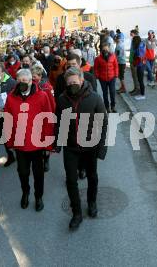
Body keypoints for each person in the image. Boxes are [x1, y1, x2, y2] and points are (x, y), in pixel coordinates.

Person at [54, 67, 108, 231]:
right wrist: (57, 142)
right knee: (71, 180)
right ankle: (76, 213)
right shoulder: (62, 99)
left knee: (92, 176)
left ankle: (92, 202)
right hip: (71, 148)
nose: (72, 85)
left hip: (90, 146)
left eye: (74, 82)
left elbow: (103, 124)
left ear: (82, 80)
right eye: (68, 83)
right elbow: (59, 122)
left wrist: (102, 148)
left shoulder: (95, 98)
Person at [4, 69, 54, 212]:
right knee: (23, 173)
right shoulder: (11, 97)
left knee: (38, 174)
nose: (22, 84)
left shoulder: (42, 96)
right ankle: (25, 193)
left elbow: (48, 120)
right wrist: (10, 142)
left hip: (37, 144)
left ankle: (38, 196)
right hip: (20, 145)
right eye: (20, 81)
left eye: (25, 81)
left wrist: (48, 144)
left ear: (32, 81)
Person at [31, 64, 56, 172]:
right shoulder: (28, 86)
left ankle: (46, 160)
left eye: (35, 75)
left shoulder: (46, 87)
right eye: (31, 75)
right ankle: (38, 158)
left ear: (40, 76)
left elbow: (52, 102)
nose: (33, 77)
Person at [94, 43, 119, 113]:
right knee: (105, 93)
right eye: (104, 49)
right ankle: (107, 107)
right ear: (101, 49)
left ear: (109, 49)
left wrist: (116, 74)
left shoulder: (113, 56)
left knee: (112, 92)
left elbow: (116, 66)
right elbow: (96, 68)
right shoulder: (98, 58)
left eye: (106, 49)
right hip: (102, 79)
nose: (105, 50)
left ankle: (113, 106)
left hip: (112, 77)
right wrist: (97, 75)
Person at [131, 35, 146, 100]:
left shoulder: (139, 47)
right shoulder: (141, 45)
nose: (133, 42)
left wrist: (134, 63)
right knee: (140, 80)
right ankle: (141, 93)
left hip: (140, 65)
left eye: (133, 41)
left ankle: (142, 94)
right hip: (141, 65)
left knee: (140, 80)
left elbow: (139, 58)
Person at [129, 29, 140, 95]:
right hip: (133, 60)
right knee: (134, 76)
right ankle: (135, 88)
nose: (130, 34)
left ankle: (137, 89)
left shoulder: (136, 39)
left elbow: (135, 51)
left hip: (134, 61)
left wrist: (132, 60)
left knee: (135, 76)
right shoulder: (134, 39)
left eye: (131, 33)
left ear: (134, 33)